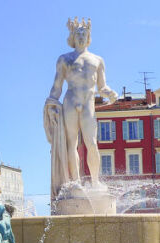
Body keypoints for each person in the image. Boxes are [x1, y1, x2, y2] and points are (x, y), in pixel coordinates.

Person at [44, 17, 118, 197]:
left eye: (84, 33)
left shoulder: (97, 60)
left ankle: (94, 181)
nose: (81, 36)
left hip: (88, 103)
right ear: (72, 36)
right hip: (70, 101)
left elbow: (102, 87)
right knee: (72, 144)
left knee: (92, 143)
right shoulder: (65, 59)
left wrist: (111, 93)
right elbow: (57, 86)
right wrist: (52, 104)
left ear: (89, 36)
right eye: (78, 33)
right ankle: (75, 182)